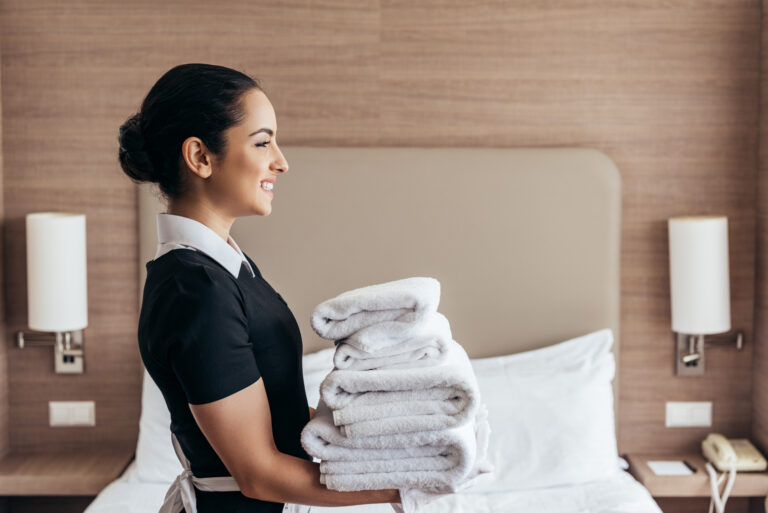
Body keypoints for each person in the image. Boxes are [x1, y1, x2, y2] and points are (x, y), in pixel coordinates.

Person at [118, 63, 401, 513]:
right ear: (200, 158)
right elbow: (258, 474)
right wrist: (407, 485)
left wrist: (388, 444)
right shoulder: (195, 290)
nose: (281, 162)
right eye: (263, 142)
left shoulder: (225, 268)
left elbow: (279, 414)